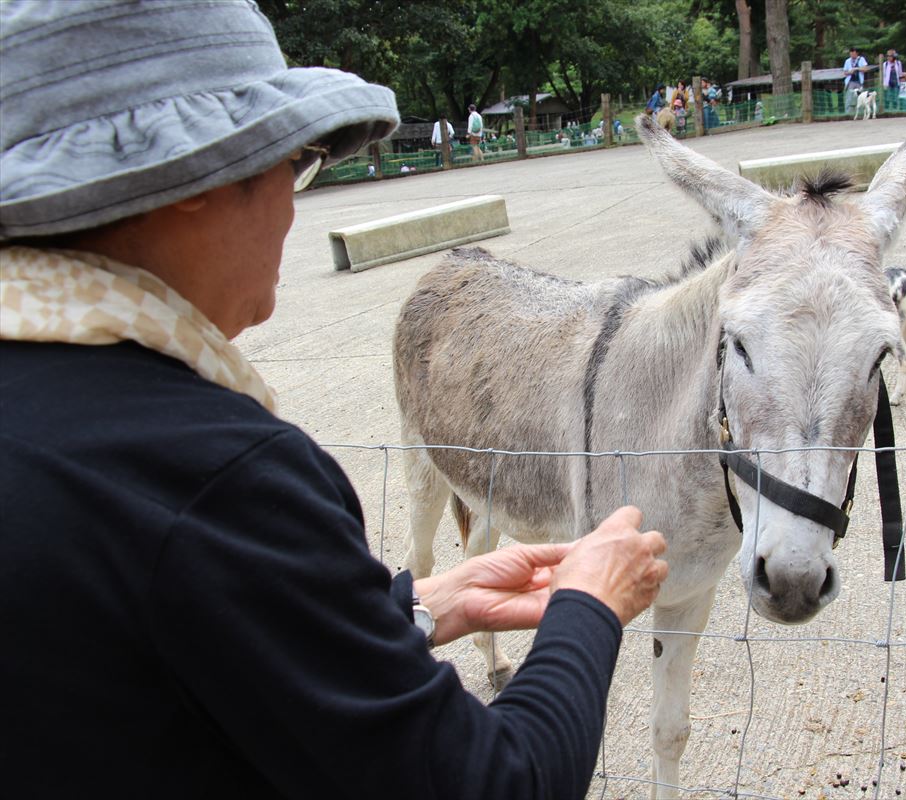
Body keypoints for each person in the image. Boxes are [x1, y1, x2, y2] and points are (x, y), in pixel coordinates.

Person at [0, 2, 671, 798]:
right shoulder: (213, 475)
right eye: (295, 163)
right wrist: (588, 606)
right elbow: (495, 785)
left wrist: (408, 610)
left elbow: (181, 642)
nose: (294, 206)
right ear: (198, 177)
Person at [843, 47, 869, 113]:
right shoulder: (847, 61)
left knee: (861, 97)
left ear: (856, 53)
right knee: (849, 97)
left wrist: (857, 69)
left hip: (859, 82)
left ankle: (861, 112)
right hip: (851, 82)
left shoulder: (861, 59)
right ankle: (848, 113)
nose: (852, 55)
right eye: (851, 53)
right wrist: (850, 72)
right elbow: (845, 72)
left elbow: (866, 69)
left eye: (853, 53)